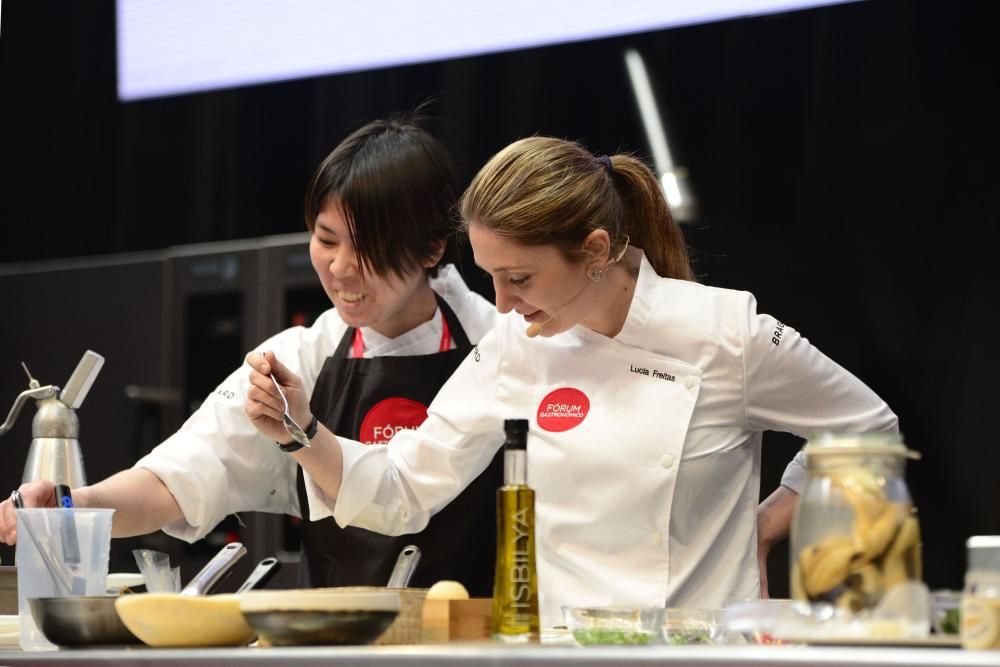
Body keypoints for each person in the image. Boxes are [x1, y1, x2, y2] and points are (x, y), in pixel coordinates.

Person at [244, 136, 898, 625]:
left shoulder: (727, 332)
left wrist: (767, 522)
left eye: (519, 278)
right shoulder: (511, 346)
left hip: (705, 654)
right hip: (561, 654)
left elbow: (870, 428)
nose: (498, 305)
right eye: (489, 276)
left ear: (593, 251)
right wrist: (303, 431)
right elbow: (403, 487)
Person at [0, 114, 501, 593]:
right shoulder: (297, 360)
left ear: (432, 249)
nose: (342, 268)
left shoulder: (501, 346)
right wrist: (74, 507)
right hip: (340, 643)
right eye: (326, 240)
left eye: (370, 248)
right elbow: (185, 472)